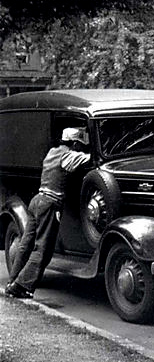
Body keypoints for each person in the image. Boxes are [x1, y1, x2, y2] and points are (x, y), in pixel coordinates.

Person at [5, 127, 91, 299]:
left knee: (26, 243)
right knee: (42, 248)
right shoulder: (69, 156)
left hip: (37, 200)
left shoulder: (52, 152)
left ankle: (12, 280)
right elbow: (91, 159)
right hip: (50, 203)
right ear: (74, 143)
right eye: (80, 144)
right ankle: (21, 286)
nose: (81, 148)